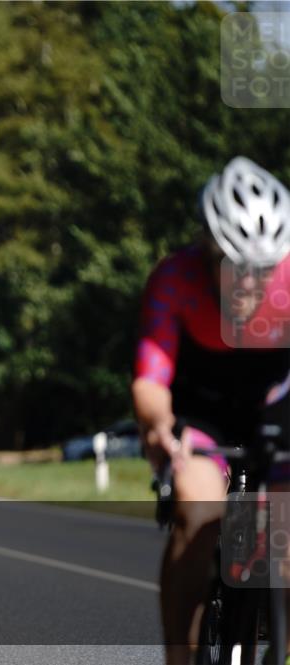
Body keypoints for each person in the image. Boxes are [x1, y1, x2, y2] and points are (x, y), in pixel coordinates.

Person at [132, 157, 290, 664]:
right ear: (207, 247)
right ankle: (179, 654)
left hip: (274, 406)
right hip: (201, 417)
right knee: (197, 509)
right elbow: (151, 383)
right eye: (233, 264)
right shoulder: (175, 279)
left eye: (261, 269)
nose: (248, 282)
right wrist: (159, 430)